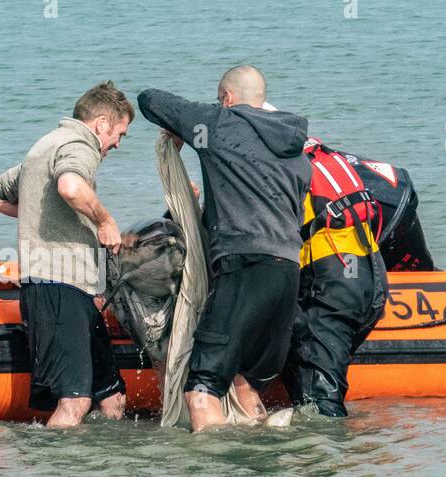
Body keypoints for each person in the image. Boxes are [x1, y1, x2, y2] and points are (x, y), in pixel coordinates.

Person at [137, 65, 312, 432]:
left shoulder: (219, 123)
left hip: (245, 267)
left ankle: (215, 475)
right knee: (244, 380)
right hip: (286, 273)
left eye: (222, 100)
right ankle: (257, 457)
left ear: (227, 98)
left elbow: (150, 100)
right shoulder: (296, 151)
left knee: (201, 388)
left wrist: (185, 130)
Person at [0, 81, 132, 428]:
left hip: (69, 287)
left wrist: (41, 214)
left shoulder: (43, 146)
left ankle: (97, 476)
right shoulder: (80, 146)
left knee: (112, 397)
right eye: (119, 133)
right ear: (100, 124)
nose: (118, 143)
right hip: (58, 285)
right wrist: (105, 221)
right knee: (75, 402)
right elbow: (70, 187)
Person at [281, 138, 390, 420]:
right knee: (309, 371)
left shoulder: (275, 163)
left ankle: (328, 457)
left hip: (331, 277)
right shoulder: (325, 157)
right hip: (371, 275)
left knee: (320, 399)